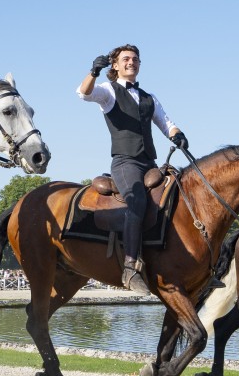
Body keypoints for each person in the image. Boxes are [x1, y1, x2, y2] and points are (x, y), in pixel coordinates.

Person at [78, 44, 187, 295]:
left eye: (136, 59)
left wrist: (178, 135)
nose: (132, 62)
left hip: (149, 161)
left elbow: (166, 123)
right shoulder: (108, 91)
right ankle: (130, 267)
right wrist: (93, 72)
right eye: (126, 59)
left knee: (178, 195)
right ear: (115, 65)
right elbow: (83, 94)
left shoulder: (149, 97)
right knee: (136, 201)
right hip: (125, 162)